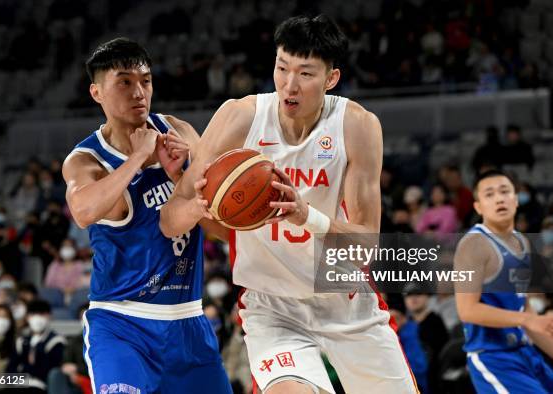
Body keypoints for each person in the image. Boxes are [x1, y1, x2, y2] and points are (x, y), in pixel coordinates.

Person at [160, 15, 417, 394]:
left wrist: (305, 215)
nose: (289, 85)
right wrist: (199, 204)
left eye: (306, 74)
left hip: (345, 299)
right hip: (272, 306)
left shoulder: (356, 126)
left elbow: (368, 244)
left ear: (331, 79)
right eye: (282, 68)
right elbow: (170, 219)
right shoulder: (239, 118)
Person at [62, 37, 231, 393]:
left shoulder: (180, 132)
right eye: (124, 82)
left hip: (188, 321)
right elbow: (82, 211)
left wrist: (182, 175)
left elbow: (220, 230)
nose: (139, 91)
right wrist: (137, 158)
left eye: (146, 80)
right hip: (123, 325)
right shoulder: (87, 159)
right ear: (97, 93)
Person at [454, 169, 553, 393]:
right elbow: (467, 310)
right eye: (489, 194)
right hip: (493, 357)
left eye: (505, 192)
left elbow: (522, 307)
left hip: (525, 351)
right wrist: (527, 319)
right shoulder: (473, 245)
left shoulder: (522, 242)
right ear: (478, 207)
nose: (499, 198)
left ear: (515, 200)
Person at [16, 299, 66, 391]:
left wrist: (23, 368)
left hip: (41, 386)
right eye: (33, 314)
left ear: (49, 316)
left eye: (41, 314)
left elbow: (47, 369)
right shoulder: (21, 341)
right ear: (27, 317)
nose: (37, 318)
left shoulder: (56, 341)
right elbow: (12, 367)